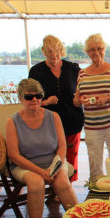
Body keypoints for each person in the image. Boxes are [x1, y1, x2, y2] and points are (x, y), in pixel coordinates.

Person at [5, 78, 78, 218]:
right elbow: (14, 156)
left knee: (61, 181)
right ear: (21, 98)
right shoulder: (12, 121)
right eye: (30, 97)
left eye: (38, 96)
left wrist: (56, 167)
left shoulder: (53, 117)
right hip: (25, 165)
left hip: (52, 162)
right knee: (36, 183)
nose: (35, 100)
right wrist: (40, 172)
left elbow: (62, 147)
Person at [29, 35, 84, 182]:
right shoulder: (36, 71)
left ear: (62, 50)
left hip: (73, 119)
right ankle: (55, 187)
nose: (54, 55)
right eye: (49, 52)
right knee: (53, 157)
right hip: (48, 123)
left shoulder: (73, 68)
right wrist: (45, 101)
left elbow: (85, 89)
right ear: (43, 52)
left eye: (57, 51)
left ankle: (68, 187)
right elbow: (30, 96)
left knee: (71, 155)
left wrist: (79, 97)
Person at [73, 33, 110, 179]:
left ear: (104, 49)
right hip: (92, 127)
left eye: (99, 48)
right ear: (87, 52)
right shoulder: (82, 74)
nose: (96, 52)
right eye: (92, 49)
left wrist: (108, 99)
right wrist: (82, 99)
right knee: (94, 163)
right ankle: (97, 195)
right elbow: (76, 101)